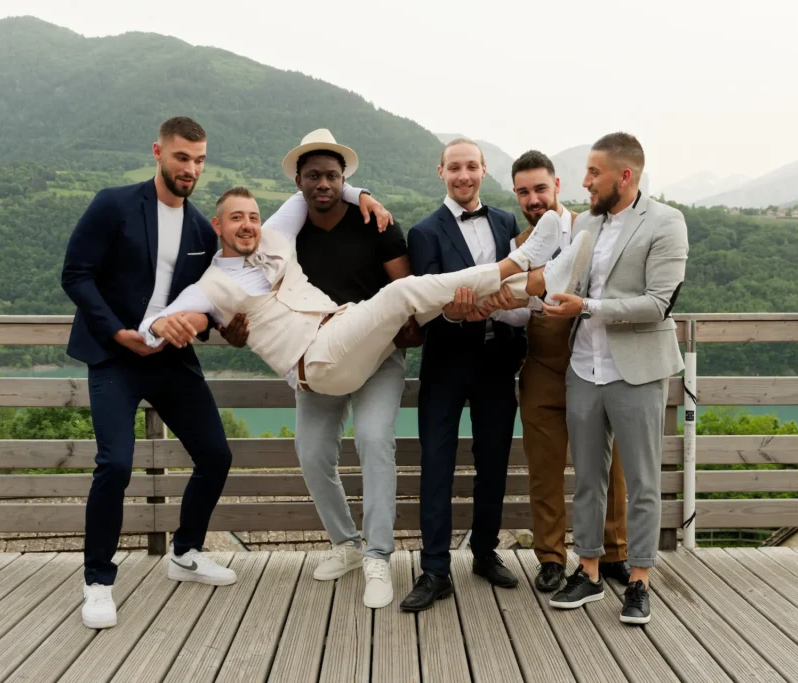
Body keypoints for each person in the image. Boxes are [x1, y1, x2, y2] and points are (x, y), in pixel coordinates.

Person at [138, 182, 584, 403]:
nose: (248, 225)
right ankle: (520, 268)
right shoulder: (209, 287)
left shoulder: (274, 234)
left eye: (252, 216)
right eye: (236, 218)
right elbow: (153, 325)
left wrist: (362, 194)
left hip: (345, 330)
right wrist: (160, 324)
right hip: (318, 363)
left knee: (431, 304)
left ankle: (529, 287)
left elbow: (312, 185)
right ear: (218, 226)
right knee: (404, 291)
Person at [217, 129, 421, 609]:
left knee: (373, 440)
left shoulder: (377, 223)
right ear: (299, 181)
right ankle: (346, 544)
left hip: (377, 355)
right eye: (314, 176)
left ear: (343, 178)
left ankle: (377, 555)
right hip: (317, 359)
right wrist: (233, 329)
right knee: (310, 451)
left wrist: (411, 332)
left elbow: (406, 288)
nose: (323, 183)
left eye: (332, 175)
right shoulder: (285, 234)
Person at [61, 116, 236, 631]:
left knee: (216, 456)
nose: (192, 169)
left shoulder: (204, 229)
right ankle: (97, 581)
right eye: (183, 157)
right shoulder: (113, 204)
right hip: (115, 354)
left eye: (200, 160)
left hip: (171, 360)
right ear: (159, 151)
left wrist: (201, 322)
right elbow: (76, 274)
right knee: (115, 464)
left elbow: (211, 303)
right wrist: (118, 333)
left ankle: (184, 554)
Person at [543, 133, 688, 626]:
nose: (584, 183)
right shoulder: (585, 221)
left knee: (644, 482)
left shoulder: (667, 222)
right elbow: (570, 282)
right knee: (587, 477)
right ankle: (587, 571)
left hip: (637, 370)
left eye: (593, 173)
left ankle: (640, 582)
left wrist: (587, 306)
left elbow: (657, 304)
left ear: (624, 176)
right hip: (583, 366)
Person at [486, 150, 630, 592]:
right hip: (543, 366)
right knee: (544, 468)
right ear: (516, 195)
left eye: (540, 189)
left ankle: (614, 554)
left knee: (610, 466)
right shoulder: (517, 247)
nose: (533, 198)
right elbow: (522, 314)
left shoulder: (595, 228)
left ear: (557, 187)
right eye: (524, 192)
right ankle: (551, 558)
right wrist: (495, 307)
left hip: (594, 362)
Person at [400, 138, 530, 612]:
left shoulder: (504, 221)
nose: (463, 175)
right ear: (441, 173)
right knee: (436, 463)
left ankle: (484, 552)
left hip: (500, 359)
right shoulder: (423, 232)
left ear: (483, 169)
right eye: (454, 168)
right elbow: (428, 306)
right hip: (447, 360)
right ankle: (434, 569)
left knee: (493, 459)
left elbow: (517, 286)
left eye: (471, 167)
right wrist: (456, 314)